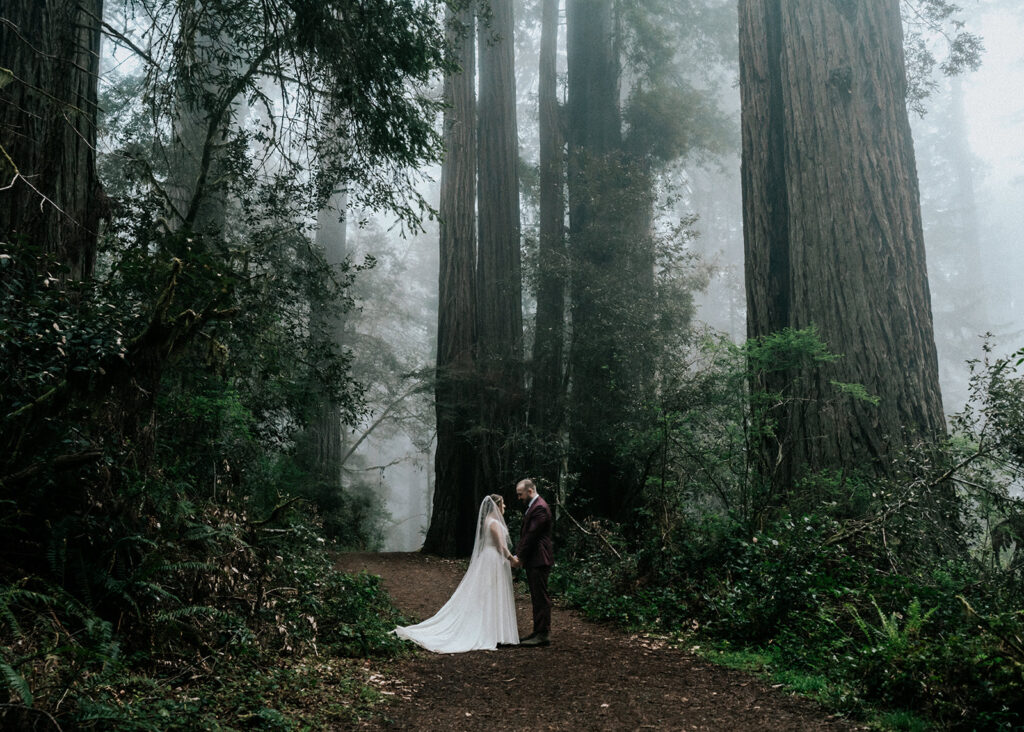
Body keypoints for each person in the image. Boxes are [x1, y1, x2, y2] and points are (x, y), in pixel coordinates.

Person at [394, 495, 519, 652]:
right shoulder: (493, 523)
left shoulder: (490, 521)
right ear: (497, 505)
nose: (505, 506)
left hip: (489, 558)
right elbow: (501, 546)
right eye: (503, 503)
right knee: (490, 593)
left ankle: (496, 631)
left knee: (490, 593)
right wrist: (512, 560)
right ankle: (493, 631)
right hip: (492, 559)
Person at [511, 478, 553, 647]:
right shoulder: (534, 507)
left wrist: (519, 557)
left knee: (541, 597)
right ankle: (538, 631)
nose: (519, 498)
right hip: (535, 558)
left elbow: (531, 535)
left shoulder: (540, 507)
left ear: (530, 491)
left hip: (539, 558)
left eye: (520, 494)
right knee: (536, 597)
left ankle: (543, 634)